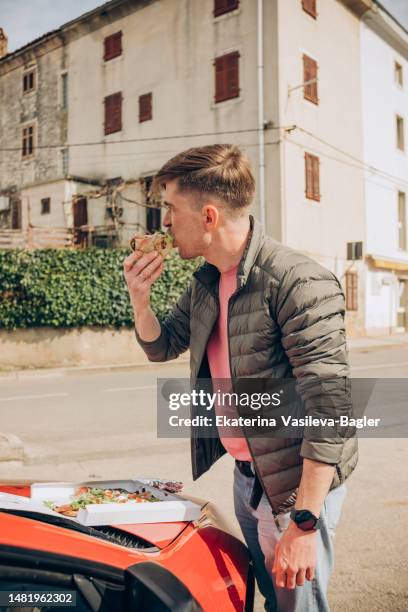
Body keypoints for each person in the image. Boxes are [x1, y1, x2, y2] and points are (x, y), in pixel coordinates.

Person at [123, 144, 357, 612]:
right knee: (272, 601)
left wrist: (304, 523)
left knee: (297, 608)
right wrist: (139, 299)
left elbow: (331, 409)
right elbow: (162, 345)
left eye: (169, 209)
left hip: (294, 486)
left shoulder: (296, 282)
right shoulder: (206, 280)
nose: (163, 224)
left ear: (208, 215)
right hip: (247, 477)